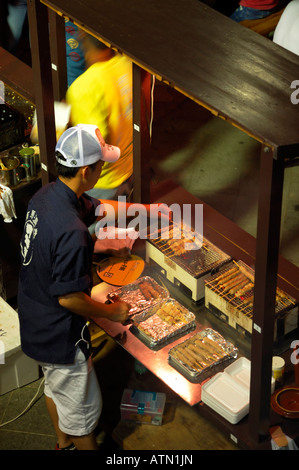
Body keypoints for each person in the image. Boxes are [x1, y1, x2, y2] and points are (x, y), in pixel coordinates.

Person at [18, 124, 166, 450]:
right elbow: (69, 299)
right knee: (83, 416)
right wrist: (112, 311)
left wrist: (147, 212)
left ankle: (62, 445)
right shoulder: (71, 230)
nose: (103, 171)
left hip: (34, 322)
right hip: (60, 335)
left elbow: (99, 209)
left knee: (54, 389)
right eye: (101, 165)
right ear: (86, 170)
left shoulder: (48, 195)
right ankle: (78, 444)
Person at [65, 34, 134, 216]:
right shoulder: (126, 63)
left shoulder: (85, 87)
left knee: (93, 239)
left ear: (83, 38)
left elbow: (95, 148)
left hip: (101, 185)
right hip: (128, 170)